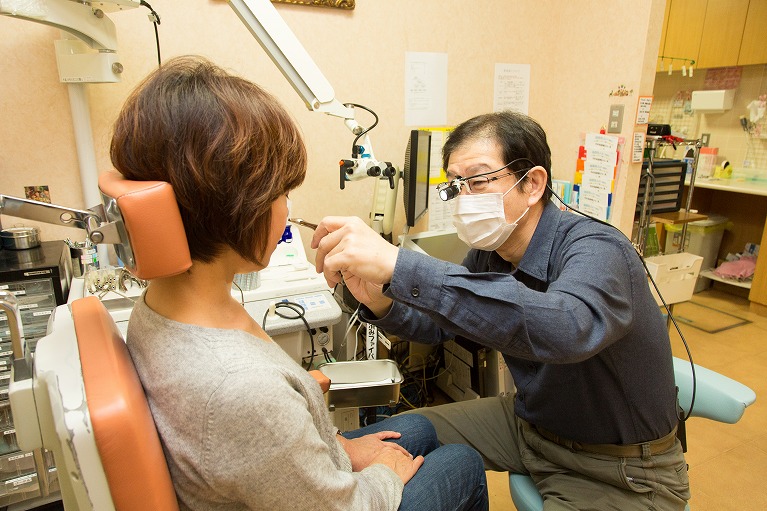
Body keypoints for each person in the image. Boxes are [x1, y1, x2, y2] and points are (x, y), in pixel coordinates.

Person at [110, 56, 488, 511]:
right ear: (237, 206)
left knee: (420, 430)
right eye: (282, 194)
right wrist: (384, 474)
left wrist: (336, 442)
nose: (288, 211)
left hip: (274, 466)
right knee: (462, 462)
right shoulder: (243, 390)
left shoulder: (167, 302)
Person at [311, 111, 692, 510]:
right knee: (380, 443)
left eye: (477, 181)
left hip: (616, 467)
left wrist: (400, 264)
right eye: (456, 186)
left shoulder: (598, 249)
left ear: (532, 183)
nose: (464, 198)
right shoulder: (490, 254)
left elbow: (566, 328)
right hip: (530, 424)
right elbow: (444, 325)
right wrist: (381, 298)